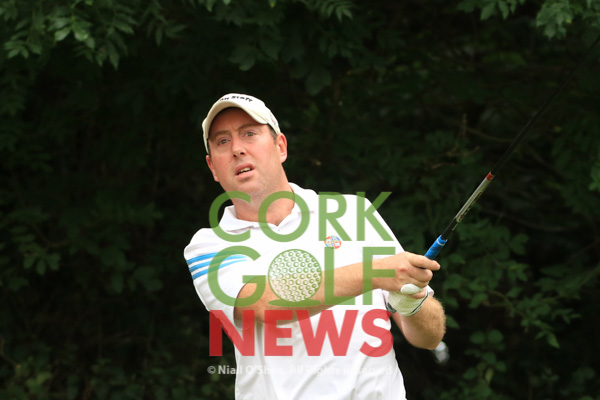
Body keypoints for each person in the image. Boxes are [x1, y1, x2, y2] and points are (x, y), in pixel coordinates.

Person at [184, 93, 446, 399]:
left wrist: (412, 302)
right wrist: (375, 273)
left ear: (280, 146)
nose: (237, 149)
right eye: (222, 141)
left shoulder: (355, 213)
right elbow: (263, 304)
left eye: (249, 133)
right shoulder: (208, 246)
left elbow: (429, 338)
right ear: (213, 168)